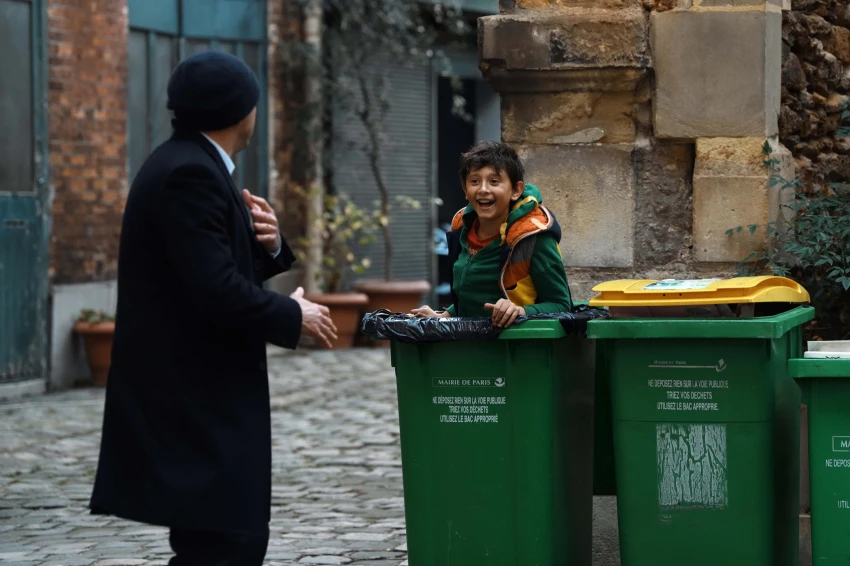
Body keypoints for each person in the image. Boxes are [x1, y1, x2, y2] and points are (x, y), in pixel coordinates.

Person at [89, 51, 337, 566]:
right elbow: (214, 289)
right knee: (229, 543)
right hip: (195, 397)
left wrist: (268, 248)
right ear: (241, 110)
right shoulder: (189, 174)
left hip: (200, 393)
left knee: (221, 539)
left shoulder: (191, 163)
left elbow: (202, 268)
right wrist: (294, 316)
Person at [414, 141, 572, 328]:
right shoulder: (460, 228)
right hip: (468, 346)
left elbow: (562, 305)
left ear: (515, 190)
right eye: (474, 181)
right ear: (465, 190)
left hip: (516, 349)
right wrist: (444, 315)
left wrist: (520, 311)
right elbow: (473, 296)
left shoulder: (532, 236)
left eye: (494, 181)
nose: (483, 189)